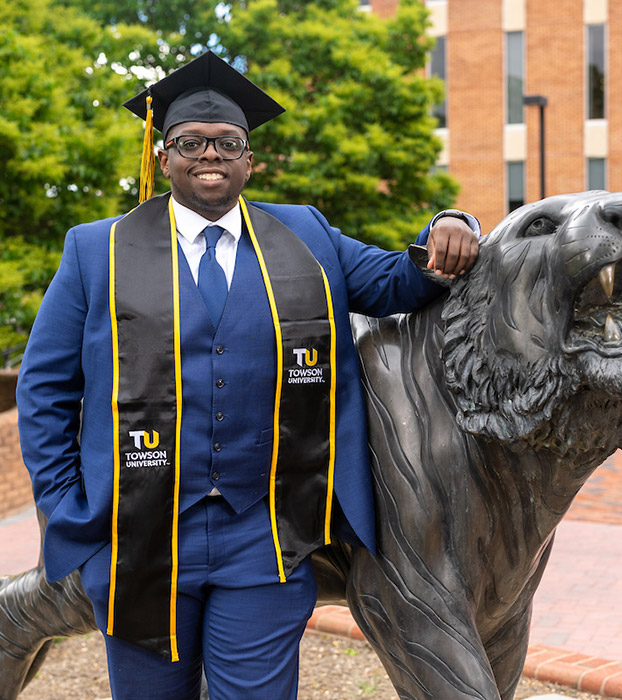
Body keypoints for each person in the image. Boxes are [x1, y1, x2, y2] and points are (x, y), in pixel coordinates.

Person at [16, 50, 479, 700]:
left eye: (228, 143)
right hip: (138, 534)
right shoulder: (98, 249)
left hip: (263, 534)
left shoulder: (306, 236)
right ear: (163, 155)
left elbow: (403, 279)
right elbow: (44, 391)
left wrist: (449, 227)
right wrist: (68, 507)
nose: (210, 155)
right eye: (192, 143)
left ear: (249, 160)